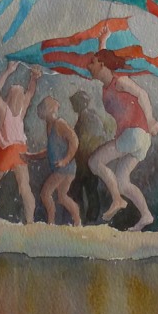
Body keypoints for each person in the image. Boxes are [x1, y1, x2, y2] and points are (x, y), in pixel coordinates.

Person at [87, 49, 158, 231]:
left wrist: (151, 120)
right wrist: (103, 40)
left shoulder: (119, 81)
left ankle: (117, 200)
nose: (88, 66)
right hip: (139, 139)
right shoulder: (107, 85)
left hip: (135, 134)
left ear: (102, 65)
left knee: (94, 162)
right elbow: (103, 54)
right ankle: (146, 215)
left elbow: (142, 94)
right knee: (122, 182)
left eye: (92, 62)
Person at [0, 61, 41, 223]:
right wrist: (33, 78)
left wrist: (9, 71)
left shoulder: (4, 110)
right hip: (21, 151)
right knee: (25, 187)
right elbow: (30, 92)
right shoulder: (22, 110)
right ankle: (30, 221)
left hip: (7, 152)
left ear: (8, 96)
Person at [27, 95, 81, 226]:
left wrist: (65, 160)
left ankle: (51, 222)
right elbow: (50, 150)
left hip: (64, 168)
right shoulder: (50, 126)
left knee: (45, 194)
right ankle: (77, 222)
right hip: (62, 168)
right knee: (62, 197)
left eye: (44, 109)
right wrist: (31, 156)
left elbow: (74, 141)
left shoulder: (59, 124)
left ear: (51, 110)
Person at [69, 90, 106, 223]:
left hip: (87, 161)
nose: (73, 105)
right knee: (85, 189)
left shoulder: (89, 118)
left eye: (74, 103)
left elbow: (96, 139)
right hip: (84, 161)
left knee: (87, 189)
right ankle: (86, 217)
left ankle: (88, 218)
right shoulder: (87, 117)